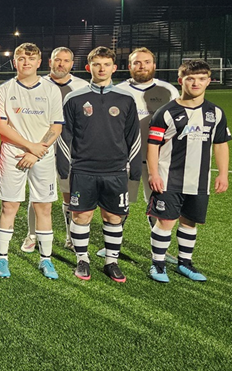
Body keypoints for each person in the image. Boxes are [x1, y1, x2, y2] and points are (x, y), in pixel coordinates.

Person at [57, 46, 141, 283]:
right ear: (88, 67)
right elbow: (65, 136)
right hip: (83, 170)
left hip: (115, 171)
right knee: (81, 216)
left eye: (106, 64)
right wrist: (64, 166)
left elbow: (133, 136)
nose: (101, 69)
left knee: (113, 217)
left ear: (114, 68)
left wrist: (134, 168)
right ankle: (82, 259)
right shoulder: (74, 98)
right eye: (96, 64)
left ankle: (111, 262)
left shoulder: (126, 99)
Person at [147, 59, 229, 282]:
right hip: (168, 178)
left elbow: (220, 144)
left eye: (202, 79)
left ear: (209, 81)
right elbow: (153, 145)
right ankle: (158, 264)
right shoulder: (166, 112)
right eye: (190, 78)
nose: (196, 83)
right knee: (165, 222)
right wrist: (153, 174)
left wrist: (222, 173)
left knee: (190, 222)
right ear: (180, 80)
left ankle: (185, 263)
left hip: (199, 180)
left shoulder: (216, 113)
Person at [0, 43, 63, 279]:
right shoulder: (4, 89)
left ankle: (46, 260)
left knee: (43, 206)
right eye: (21, 58)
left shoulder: (51, 90)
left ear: (39, 62)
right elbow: (0, 126)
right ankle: (3, 259)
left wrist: (36, 151)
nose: (26, 63)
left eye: (30, 59)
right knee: (9, 206)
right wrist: (29, 146)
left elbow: (56, 126)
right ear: (15, 61)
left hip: (41, 155)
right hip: (13, 153)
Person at [102, 48, 180, 259]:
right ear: (129, 66)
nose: (142, 66)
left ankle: (160, 248)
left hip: (160, 161)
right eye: (137, 63)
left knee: (158, 203)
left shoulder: (169, 91)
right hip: (126, 159)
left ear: (154, 65)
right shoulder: (118, 90)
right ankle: (111, 245)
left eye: (146, 62)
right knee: (119, 202)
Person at [21, 47, 87, 251]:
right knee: (38, 194)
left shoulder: (82, 86)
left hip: (72, 147)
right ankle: (32, 235)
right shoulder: (37, 83)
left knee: (69, 193)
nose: (61, 64)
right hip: (42, 145)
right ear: (50, 61)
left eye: (66, 61)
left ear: (72, 63)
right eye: (58, 60)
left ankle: (70, 237)